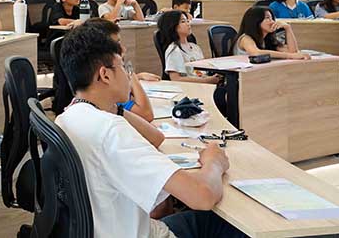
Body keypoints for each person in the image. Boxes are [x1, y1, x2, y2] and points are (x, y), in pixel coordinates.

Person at [56, 23, 244, 238]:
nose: (128, 75)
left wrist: (115, 107)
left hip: (109, 229)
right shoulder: (111, 130)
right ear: (105, 75)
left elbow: (156, 138)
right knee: (235, 226)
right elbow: (203, 197)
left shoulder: (69, 116)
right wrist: (214, 162)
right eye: (123, 67)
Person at [158, 10, 222, 84]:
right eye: (183, 22)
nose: (188, 24)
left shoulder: (195, 47)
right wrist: (207, 81)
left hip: (203, 84)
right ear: (172, 26)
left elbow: (202, 72)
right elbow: (176, 79)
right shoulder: (174, 50)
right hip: (190, 87)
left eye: (187, 21)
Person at [233, 6, 309, 60]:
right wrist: (289, 56)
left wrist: (288, 28)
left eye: (272, 18)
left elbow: (293, 51)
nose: (272, 21)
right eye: (267, 18)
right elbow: (256, 53)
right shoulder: (245, 38)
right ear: (255, 21)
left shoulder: (267, 39)